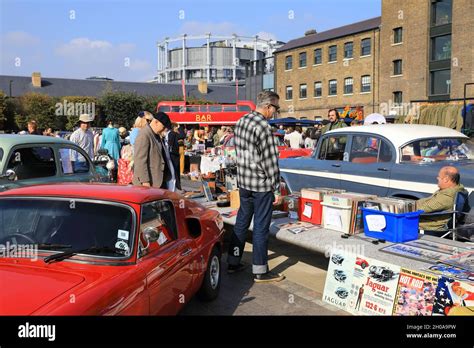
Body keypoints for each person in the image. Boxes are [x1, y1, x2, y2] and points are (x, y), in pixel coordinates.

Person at [227, 90, 285, 283]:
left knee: (242, 222)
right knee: (261, 227)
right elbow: (270, 162)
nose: (275, 112)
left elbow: (238, 153)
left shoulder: (242, 121)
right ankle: (260, 270)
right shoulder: (264, 128)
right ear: (268, 106)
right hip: (261, 186)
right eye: (275, 108)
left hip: (244, 183)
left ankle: (233, 261)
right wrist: (277, 188)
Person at [417, 166, 468, 233]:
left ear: (446, 179)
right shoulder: (456, 189)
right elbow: (427, 202)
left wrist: (403, 207)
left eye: (439, 176)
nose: (437, 178)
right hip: (431, 220)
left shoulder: (447, 197)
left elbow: (422, 208)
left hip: (429, 226)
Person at [132, 112, 170, 188]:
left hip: (157, 181)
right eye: (163, 126)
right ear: (156, 122)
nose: (164, 129)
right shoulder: (144, 135)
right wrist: (145, 182)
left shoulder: (156, 135)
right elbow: (140, 161)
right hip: (148, 184)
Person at [164, 123, 181, 191]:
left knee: (174, 172)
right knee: (174, 171)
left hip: (172, 154)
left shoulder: (171, 133)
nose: (177, 128)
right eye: (176, 127)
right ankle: (175, 187)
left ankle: (176, 187)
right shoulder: (172, 133)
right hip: (173, 154)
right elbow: (172, 144)